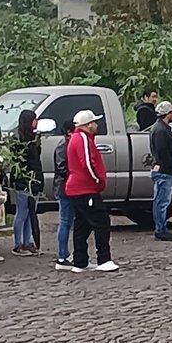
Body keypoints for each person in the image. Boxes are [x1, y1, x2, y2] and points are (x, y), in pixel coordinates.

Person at [63, 110, 117, 273]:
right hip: (84, 188)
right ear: (88, 125)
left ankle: (80, 261)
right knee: (101, 222)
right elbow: (87, 162)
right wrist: (98, 179)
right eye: (94, 122)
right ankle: (104, 259)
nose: (96, 125)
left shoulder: (78, 138)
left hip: (78, 189)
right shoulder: (82, 139)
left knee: (82, 225)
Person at [12, 109, 44, 256]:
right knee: (22, 212)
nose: (36, 122)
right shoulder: (21, 141)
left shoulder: (33, 139)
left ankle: (27, 241)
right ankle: (18, 243)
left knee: (30, 212)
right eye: (34, 119)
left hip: (33, 180)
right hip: (24, 181)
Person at [149, 101, 172, 242]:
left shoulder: (159, 128)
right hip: (165, 171)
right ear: (168, 114)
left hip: (163, 170)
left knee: (160, 201)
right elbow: (163, 152)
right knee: (162, 202)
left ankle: (161, 228)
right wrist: (170, 166)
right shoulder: (161, 131)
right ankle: (160, 229)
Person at [52, 123, 75, 271]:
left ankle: (65, 253)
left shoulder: (67, 144)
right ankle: (61, 255)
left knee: (68, 221)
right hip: (64, 188)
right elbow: (62, 168)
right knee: (65, 221)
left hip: (66, 187)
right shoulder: (63, 146)